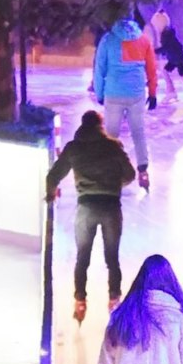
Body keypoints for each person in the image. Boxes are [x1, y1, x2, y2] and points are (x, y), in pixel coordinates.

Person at [46, 111, 139, 323]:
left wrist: (51, 194)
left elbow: (53, 175)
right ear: (100, 125)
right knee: (112, 258)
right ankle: (114, 298)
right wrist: (114, 184)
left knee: (82, 257)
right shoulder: (113, 146)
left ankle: (80, 300)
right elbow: (130, 175)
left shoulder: (73, 148)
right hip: (110, 207)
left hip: (85, 207)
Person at [92, 12, 158, 188]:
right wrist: (152, 92)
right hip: (136, 94)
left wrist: (99, 93)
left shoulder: (108, 40)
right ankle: (143, 172)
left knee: (111, 136)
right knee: (138, 133)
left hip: (113, 93)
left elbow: (99, 69)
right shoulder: (143, 40)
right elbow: (152, 69)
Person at [146, 5, 183, 108]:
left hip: (178, 58)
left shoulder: (166, 34)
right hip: (174, 57)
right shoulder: (166, 33)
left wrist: (154, 51)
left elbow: (166, 47)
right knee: (166, 71)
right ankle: (171, 92)